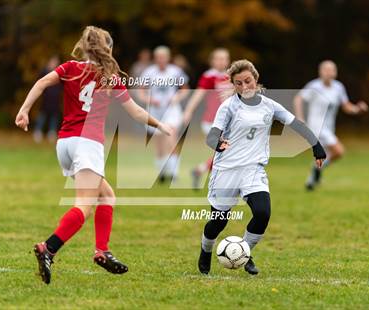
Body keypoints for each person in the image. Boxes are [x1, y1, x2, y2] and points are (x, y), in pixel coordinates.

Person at [15, 26, 171, 284]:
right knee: (84, 206)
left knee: (107, 196)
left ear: (85, 46)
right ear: (107, 49)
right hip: (87, 144)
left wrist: (24, 110)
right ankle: (48, 248)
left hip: (65, 143)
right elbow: (135, 112)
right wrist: (161, 125)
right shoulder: (109, 76)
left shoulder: (69, 68)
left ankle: (102, 251)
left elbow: (42, 82)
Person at [197, 60, 327, 275]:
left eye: (247, 81)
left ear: (255, 79)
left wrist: (316, 145)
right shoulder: (228, 106)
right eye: (238, 83)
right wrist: (218, 144)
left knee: (262, 213)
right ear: (234, 85)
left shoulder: (269, 105)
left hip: (253, 170)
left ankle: (245, 252)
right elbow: (212, 136)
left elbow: (295, 123)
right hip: (226, 170)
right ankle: (205, 250)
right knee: (218, 222)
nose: (244, 86)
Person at [293, 60, 368, 190]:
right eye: (326, 69)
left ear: (335, 72)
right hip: (316, 127)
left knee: (327, 155)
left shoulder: (338, 87)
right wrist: (299, 117)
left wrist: (357, 109)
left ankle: (313, 177)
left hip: (329, 127)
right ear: (320, 72)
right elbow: (298, 98)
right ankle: (315, 170)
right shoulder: (314, 86)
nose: (329, 72)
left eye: (331, 70)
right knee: (338, 151)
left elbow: (346, 106)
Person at [138, 46, 190, 183]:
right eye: (158, 57)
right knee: (159, 144)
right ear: (155, 59)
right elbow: (141, 92)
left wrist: (176, 98)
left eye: (164, 57)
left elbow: (185, 89)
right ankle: (162, 173)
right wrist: (149, 100)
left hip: (171, 111)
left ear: (168, 58)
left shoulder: (175, 72)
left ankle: (174, 174)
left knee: (171, 138)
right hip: (155, 111)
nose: (161, 60)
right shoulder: (149, 72)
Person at [183, 48, 231, 189]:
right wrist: (188, 111)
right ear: (212, 61)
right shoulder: (210, 76)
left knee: (224, 153)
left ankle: (199, 171)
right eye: (218, 58)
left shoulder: (232, 76)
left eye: (224, 58)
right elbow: (198, 94)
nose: (222, 61)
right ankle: (219, 182)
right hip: (212, 121)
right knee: (226, 151)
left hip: (228, 122)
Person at [33, 55, 62, 143]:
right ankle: (38, 132)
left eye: (56, 62)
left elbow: (61, 86)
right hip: (45, 100)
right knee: (42, 116)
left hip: (55, 101)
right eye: (53, 61)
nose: (54, 63)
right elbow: (39, 83)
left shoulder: (59, 73)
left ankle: (51, 133)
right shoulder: (44, 72)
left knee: (54, 117)